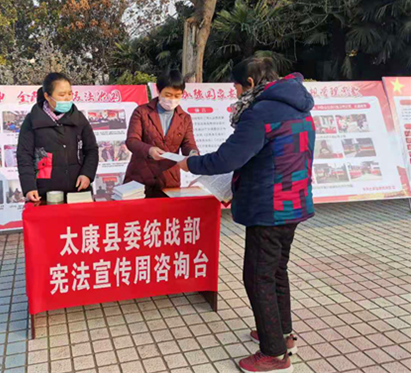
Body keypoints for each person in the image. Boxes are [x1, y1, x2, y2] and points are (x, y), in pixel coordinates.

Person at [178, 57, 315, 373]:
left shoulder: (261, 113)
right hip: (294, 201)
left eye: (237, 87)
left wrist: (191, 164)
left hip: (269, 207)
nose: (236, 93)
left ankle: (274, 354)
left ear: (250, 83)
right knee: (276, 270)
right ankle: (282, 334)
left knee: (258, 276)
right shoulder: (299, 107)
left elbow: (229, 158)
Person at [17, 73, 99, 203]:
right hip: (45, 192)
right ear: (47, 96)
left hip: (78, 190)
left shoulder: (79, 118)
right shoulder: (32, 120)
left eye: (69, 94)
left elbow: (91, 150)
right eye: (61, 95)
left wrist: (87, 174)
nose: (67, 98)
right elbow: (24, 155)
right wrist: (29, 187)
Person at [125, 70, 199, 197]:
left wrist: (193, 154)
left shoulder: (185, 118)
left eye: (177, 96)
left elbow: (188, 143)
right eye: (168, 95)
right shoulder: (142, 112)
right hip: (140, 179)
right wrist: (149, 150)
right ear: (158, 91)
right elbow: (132, 141)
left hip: (168, 181)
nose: (172, 100)